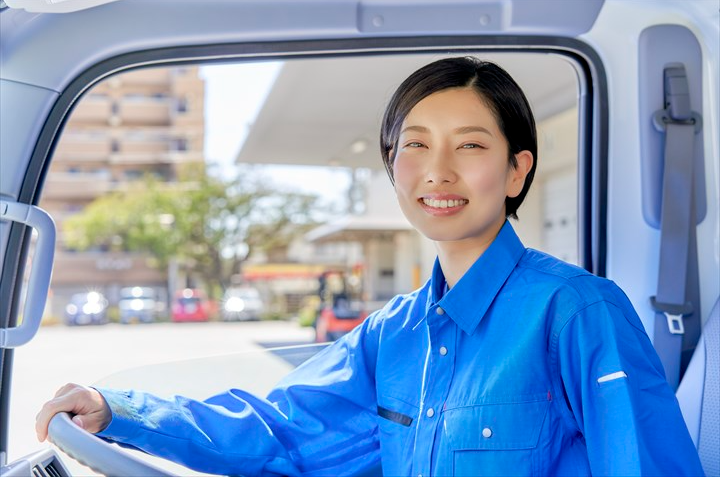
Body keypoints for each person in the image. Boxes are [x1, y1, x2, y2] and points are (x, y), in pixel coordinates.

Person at [36, 57, 705, 476]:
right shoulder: (394, 334)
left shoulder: (579, 312)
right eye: (415, 146)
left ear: (516, 169)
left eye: (470, 144)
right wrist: (116, 411)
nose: (438, 170)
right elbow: (281, 431)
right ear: (394, 168)